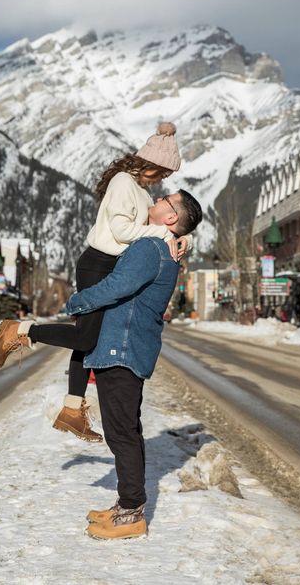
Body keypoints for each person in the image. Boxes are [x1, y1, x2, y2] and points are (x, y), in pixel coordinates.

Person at [0, 123, 192, 441]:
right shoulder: (124, 182)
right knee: (86, 339)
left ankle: (72, 409)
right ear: (152, 164)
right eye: (164, 172)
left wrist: (180, 237)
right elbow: (124, 232)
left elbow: (150, 227)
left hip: (110, 266)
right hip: (97, 264)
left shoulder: (140, 189)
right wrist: (166, 233)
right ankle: (20, 331)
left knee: (89, 339)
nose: (164, 179)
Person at [65, 189, 203, 539]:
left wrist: (76, 302)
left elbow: (116, 286)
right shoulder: (163, 246)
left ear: (170, 218)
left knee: (121, 432)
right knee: (126, 429)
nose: (153, 201)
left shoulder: (149, 247)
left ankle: (131, 514)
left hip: (121, 348)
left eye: (162, 201)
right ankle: (127, 504)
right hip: (128, 347)